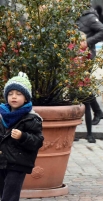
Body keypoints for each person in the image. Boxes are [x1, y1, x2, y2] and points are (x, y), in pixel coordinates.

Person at [0, 72, 44, 201]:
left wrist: (23, 137)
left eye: (18, 94)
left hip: (18, 163)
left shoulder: (32, 118)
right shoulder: (2, 115)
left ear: (26, 98)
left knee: (10, 194)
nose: (14, 97)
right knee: (3, 192)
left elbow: (38, 141)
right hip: (2, 161)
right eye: (10, 94)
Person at [76, 5, 103, 127]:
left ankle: (96, 112)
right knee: (83, 86)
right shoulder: (74, 16)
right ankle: (98, 111)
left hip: (86, 56)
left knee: (83, 86)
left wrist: (87, 42)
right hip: (75, 57)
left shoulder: (89, 17)